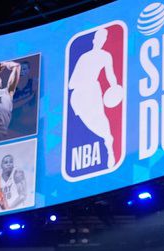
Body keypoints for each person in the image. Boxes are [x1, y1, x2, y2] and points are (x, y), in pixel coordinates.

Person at [67, 28, 119, 168]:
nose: (101, 41)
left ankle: (109, 146)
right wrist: (81, 82)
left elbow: (110, 75)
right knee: (88, 123)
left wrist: (115, 87)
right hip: (79, 94)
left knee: (101, 118)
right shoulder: (84, 57)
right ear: (94, 40)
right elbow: (71, 83)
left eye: (104, 38)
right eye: (99, 38)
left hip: (93, 91)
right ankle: (106, 139)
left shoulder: (106, 56)